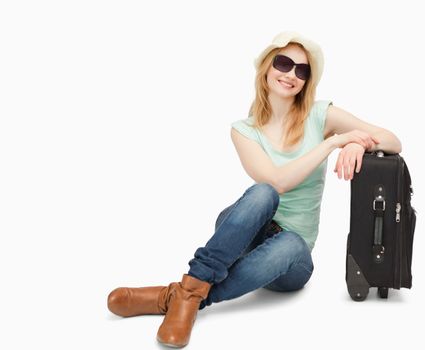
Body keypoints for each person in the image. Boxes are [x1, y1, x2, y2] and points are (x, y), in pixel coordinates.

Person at [107, 31, 402, 348]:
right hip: (248, 234)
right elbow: (276, 182)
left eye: (301, 71)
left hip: (292, 258)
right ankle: (190, 293)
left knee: (289, 243)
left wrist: (357, 143)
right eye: (284, 63)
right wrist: (333, 143)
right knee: (264, 193)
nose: (291, 75)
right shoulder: (243, 130)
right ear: (266, 66)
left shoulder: (321, 115)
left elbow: (393, 140)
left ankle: (180, 296)